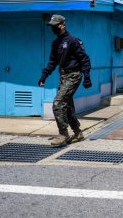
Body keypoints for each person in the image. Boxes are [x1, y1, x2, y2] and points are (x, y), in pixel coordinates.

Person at [38, 14, 92, 147]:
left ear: (62, 25)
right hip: (63, 76)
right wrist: (44, 76)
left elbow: (84, 59)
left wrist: (87, 77)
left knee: (58, 103)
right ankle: (78, 133)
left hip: (74, 75)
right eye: (51, 26)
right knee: (67, 106)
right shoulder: (56, 43)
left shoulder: (73, 41)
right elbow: (52, 62)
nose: (53, 29)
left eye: (55, 26)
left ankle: (63, 134)